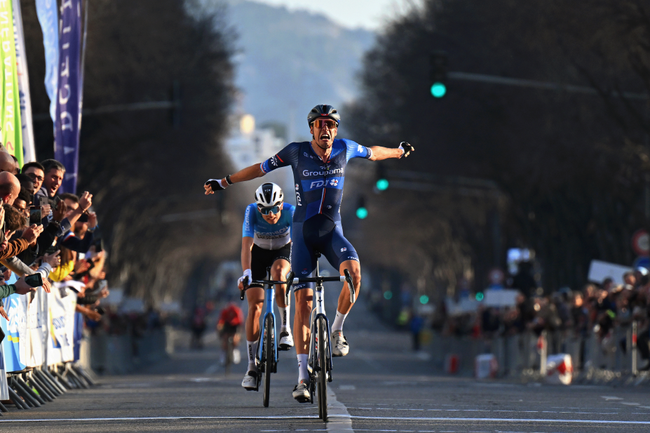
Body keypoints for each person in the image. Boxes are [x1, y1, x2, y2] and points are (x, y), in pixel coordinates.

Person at [204, 104, 414, 402]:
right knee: (302, 302)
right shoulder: (295, 152)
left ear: (336, 129)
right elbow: (260, 168)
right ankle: (302, 378)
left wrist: (397, 152)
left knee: (354, 274)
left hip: (332, 232)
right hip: (302, 235)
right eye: (320, 124)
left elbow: (373, 152)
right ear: (311, 128)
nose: (325, 129)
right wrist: (225, 182)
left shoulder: (346, 148)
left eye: (331, 124)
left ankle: (338, 331)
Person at [238, 182, 295, 390]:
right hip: (258, 254)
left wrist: (298, 270)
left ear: (281, 205)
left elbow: (298, 244)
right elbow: (246, 246)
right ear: (257, 206)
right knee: (255, 306)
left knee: (279, 274)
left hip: (283, 251)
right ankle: (251, 367)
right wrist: (246, 273)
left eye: (273, 208)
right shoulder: (251, 212)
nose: (269, 214)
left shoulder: (291, 211)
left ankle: (284, 328)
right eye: (264, 209)